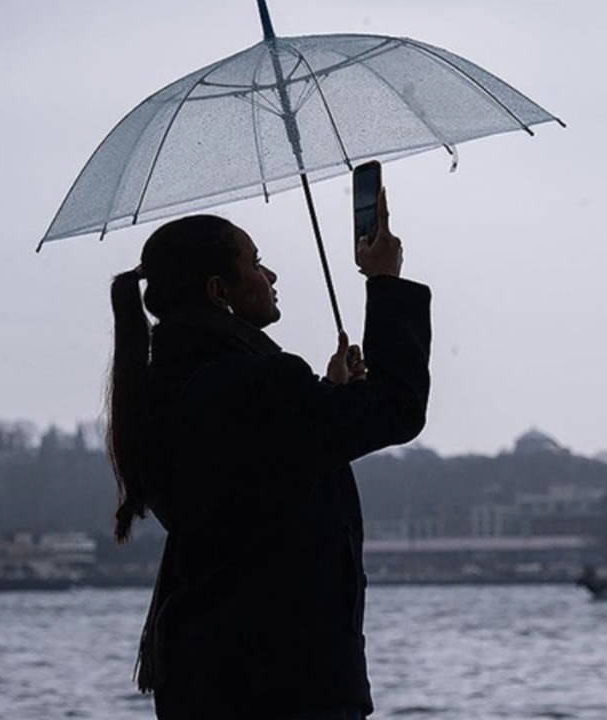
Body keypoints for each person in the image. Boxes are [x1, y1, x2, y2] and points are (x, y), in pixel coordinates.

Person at [106, 188, 430, 720]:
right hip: (282, 677)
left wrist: (327, 395)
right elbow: (396, 410)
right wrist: (384, 281)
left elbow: (259, 475)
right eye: (254, 263)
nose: (270, 276)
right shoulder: (258, 382)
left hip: (203, 673)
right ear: (219, 292)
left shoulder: (162, 384)